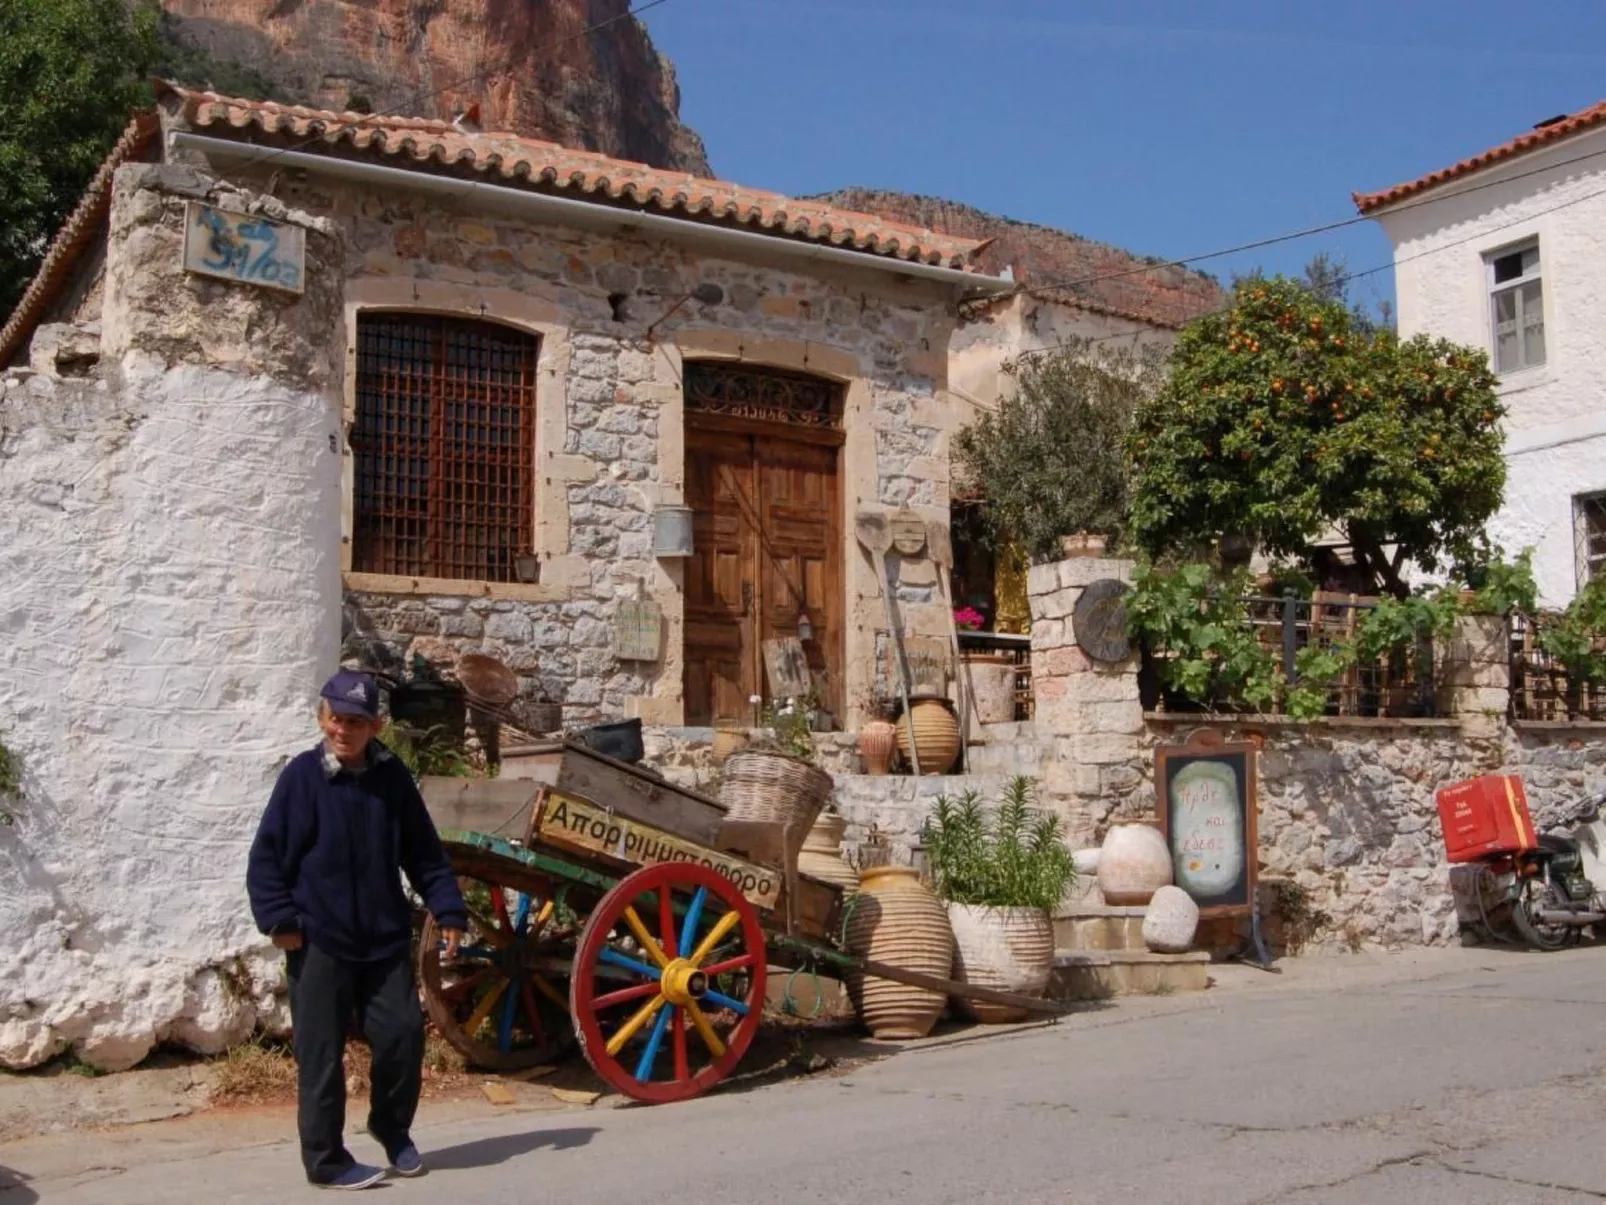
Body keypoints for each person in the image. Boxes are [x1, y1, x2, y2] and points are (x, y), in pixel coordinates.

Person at [247, 670, 467, 1191]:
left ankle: (391, 1128)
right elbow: (267, 857)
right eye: (336, 719)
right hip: (319, 940)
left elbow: (423, 852)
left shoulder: (391, 779)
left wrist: (449, 909)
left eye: (355, 722)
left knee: (403, 1038)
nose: (343, 731)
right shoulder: (302, 778)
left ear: (376, 726)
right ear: (322, 719)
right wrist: (279, 919)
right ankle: (326, 1161)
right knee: (321, 1055)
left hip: (383, 939)